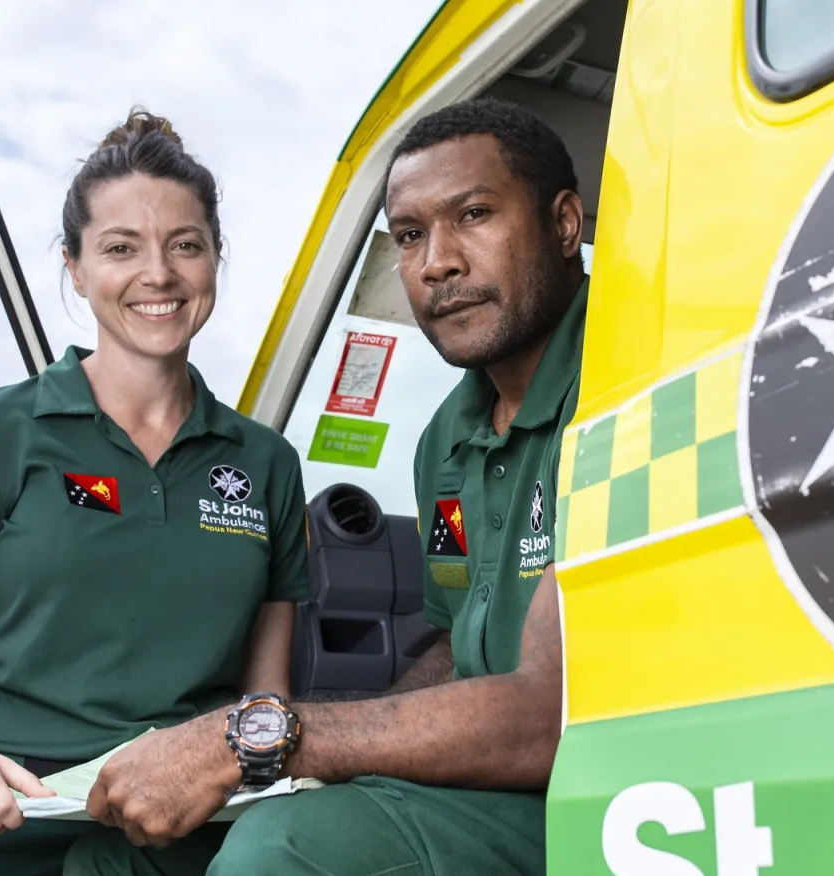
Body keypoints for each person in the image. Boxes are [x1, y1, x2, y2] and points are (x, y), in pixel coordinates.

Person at [63, 96, 586, 876]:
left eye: (473, 215)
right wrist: (354, 744)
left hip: (596, 786)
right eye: (410, 236)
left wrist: (259, 738)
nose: (437, 261)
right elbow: (454, 642)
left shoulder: (628, 385)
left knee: (279, 851)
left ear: (566, 223)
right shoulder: (446, 437)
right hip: (492, 783)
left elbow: (556, 710)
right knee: (110, 859)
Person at [0, 109, 312, 876]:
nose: (158, 274)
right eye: (120, 249)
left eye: (185, 246)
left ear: (214, 260)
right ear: (74, 267)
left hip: (176, 833)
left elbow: (264, 712)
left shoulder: (266, 464)